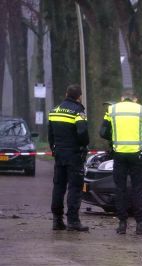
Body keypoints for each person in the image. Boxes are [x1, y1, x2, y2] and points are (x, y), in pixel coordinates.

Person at [100, 91, 142, 235]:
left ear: (121, 99)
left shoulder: (112, 110)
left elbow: (103, 132)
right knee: (137, 188)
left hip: (119, 154)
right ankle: (140, 224)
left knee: (120, 188)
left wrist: (115, 138)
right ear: (134, 99)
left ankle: (122, 224)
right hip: (137, 155)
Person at [48, 84, 89, 232]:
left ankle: (57, 220)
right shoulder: (78, 111)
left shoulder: (54, 111)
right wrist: (84, 145)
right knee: (75, 187)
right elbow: (83, 133)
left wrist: (54, 148)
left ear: (66, 94)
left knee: (58, 187)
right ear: (79, 96)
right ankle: (73, 221)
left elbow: (50, 134)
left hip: (59, 154)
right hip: (74, 154)